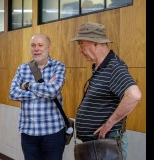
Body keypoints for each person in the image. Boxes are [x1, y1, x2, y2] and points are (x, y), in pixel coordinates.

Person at [70, 22, 142, 160]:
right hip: (95, 146)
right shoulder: (100, 67)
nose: (79, 50)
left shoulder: (114, 66)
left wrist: (109, 124)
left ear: (95, 43)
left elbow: (134, 95)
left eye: (81, 44)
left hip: (106, 146)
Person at [10, 33, 66, 160]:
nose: (36, 49)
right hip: (28, 133)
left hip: (53, 131)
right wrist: (44, 89)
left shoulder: (58, 66)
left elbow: (53, 91)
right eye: (33, 45)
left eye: (40, 45)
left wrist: (28, 85)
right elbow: (13, 93)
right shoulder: (22, 68)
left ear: (48, 47)